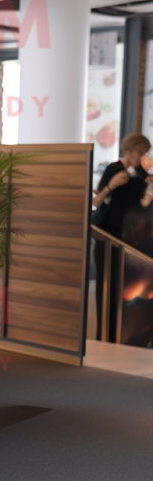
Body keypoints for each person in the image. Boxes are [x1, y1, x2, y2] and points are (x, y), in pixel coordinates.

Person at [92, 133, 153, 341]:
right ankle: (103, 335)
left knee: (121, 291)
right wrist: (112, 185)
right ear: (129, 151)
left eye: (146, 154)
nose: (144, 158)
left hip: (125, 241)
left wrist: (148, 195)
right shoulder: (114, 169)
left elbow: (139, 207)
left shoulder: (139, 175)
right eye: (141, 153)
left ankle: (117, 336)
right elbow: (96, 203)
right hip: (107, 238)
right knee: (105, 289)